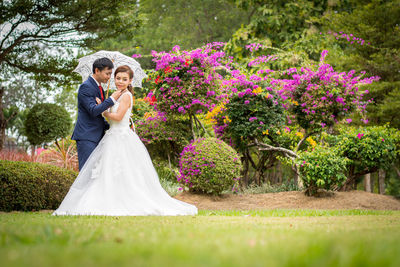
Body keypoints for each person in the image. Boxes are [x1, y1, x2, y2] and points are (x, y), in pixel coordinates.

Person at [53, 65, 198, 216]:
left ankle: (126, 201)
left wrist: (103, 110)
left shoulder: (126, 96)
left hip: (121, 137)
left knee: (123, 171)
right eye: (117, 78)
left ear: (130, 81)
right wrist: (106, 103)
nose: (120, 81)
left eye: (124, 79)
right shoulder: (117, 94)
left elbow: (118, 117)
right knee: (106, 172)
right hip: (111, 136)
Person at [71, 57, 126, 170]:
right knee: (87, 172)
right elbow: (93, 111)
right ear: (97, 71)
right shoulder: (86, 86)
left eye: (111, 74)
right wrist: (111, 99)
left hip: (98, 136)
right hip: (87, 137)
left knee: (97, 172)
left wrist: (114, 126)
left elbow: (100, 114)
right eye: (107, 73)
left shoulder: (98, 87)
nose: (109, 77)